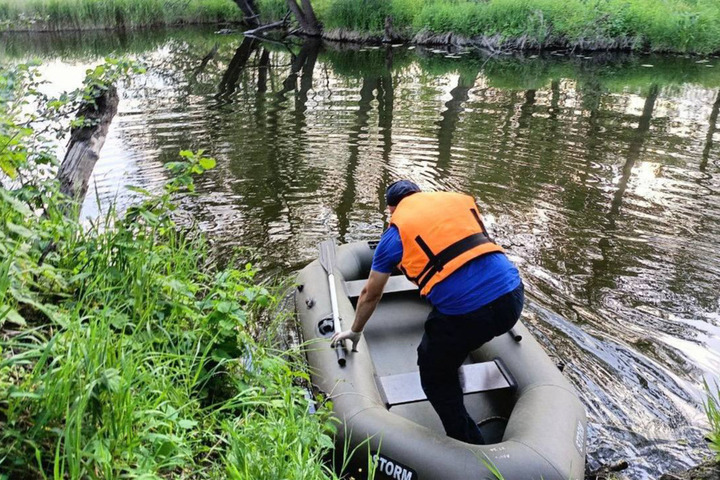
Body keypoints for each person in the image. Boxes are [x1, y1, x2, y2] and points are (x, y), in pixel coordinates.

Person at [331, 179, 524, 445]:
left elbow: (370, 294)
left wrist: (355, 331)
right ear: (419, 194)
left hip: (468, 313)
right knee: (456, 341)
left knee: (433, 372)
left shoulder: (394, 236)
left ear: (391, 209)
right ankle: (455, 362)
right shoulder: (454, 204)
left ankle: (467, 444)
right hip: (513, 297)